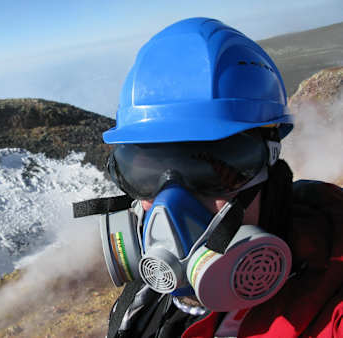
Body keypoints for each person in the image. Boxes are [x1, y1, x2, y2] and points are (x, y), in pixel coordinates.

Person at [73, 17, 343, 337]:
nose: (170, 208)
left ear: (271, 170)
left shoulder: (331, 307)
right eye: (144, 174)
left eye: (213, 172)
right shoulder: (140, 303)